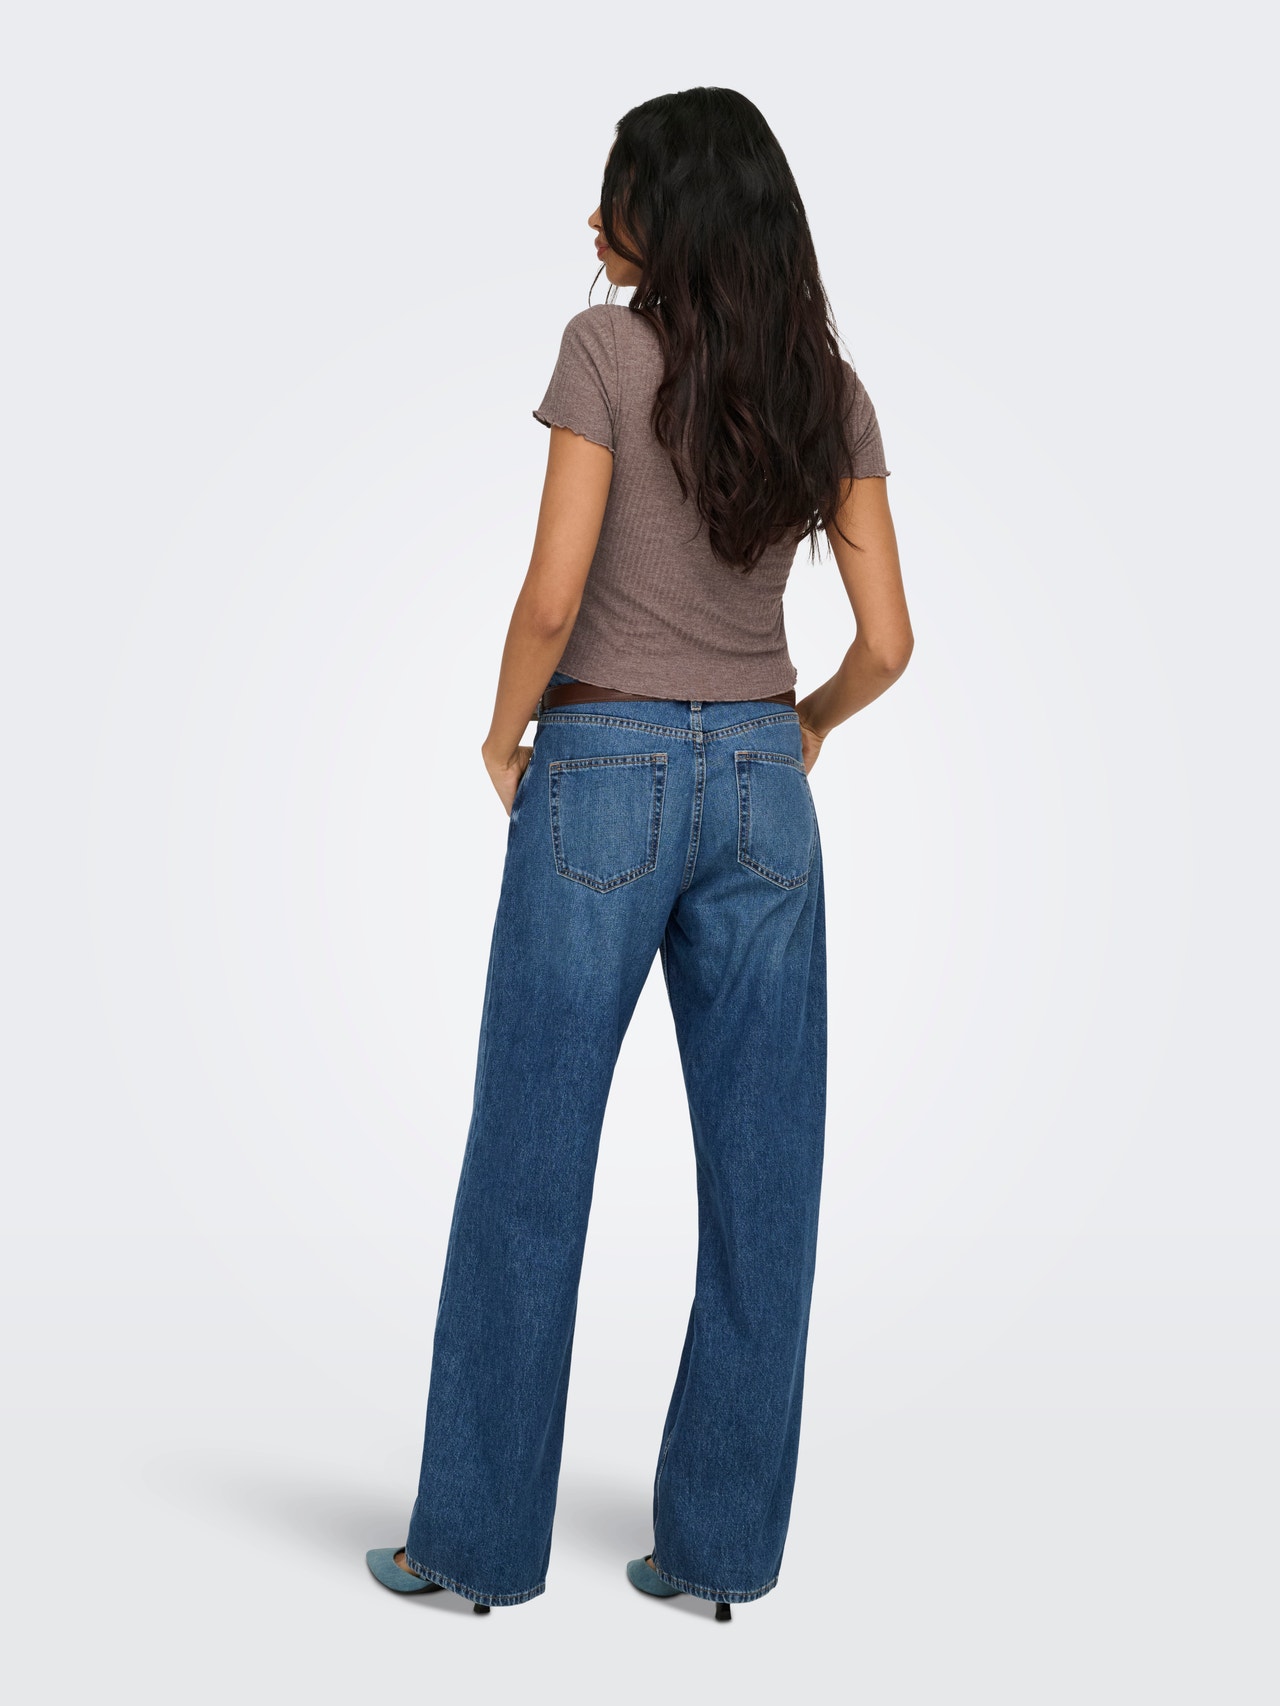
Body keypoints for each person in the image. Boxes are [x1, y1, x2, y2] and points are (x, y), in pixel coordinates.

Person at [367, 86, 913, 1619]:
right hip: (763, 791)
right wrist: (803, 724)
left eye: (613, 193)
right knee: (765, 1191)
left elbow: (553, 594)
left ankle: (473, 1548)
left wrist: (502, 735)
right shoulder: (826, 387)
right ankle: (715, 1556)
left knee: (529, 1168)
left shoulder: (605, 352)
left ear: (661, 216)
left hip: (598, 770)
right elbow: (887, 640)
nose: (593, 221)